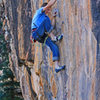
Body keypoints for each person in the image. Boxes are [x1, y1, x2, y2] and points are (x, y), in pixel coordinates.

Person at [31, 0, 65, 73]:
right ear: (44, 8)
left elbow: (51, 26)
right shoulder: (39, 12)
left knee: (54, 46)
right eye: (48, 9)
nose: (49, 10)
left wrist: (54, 17)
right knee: (46, 20)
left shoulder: (45, 18)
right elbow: (49, 5)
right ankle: (54, 38)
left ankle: (57, 67)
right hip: (36, 33)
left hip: (41, 36)